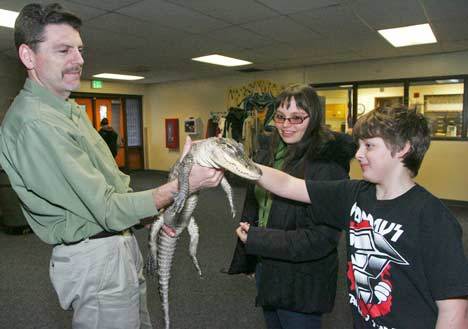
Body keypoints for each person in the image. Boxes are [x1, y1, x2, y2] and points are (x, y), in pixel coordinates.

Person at [0, 3, 223, 329]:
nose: (79, 60)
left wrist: (146, 211)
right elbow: (104, 207)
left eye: (79, 49)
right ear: (28, 57)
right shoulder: (36, 123)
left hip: (117, 243)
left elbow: (111, 180)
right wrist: (180, 185)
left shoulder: (64, 109)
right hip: (94, 257)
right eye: (63, 50)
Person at [239, 106, 468, 328]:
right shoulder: (355, 194)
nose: (358, 154)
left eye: (369, 145)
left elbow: (454, 311)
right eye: (359, 145)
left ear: (402, 149)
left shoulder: (433, 219)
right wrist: (238, 162)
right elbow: (288, 184)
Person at [229, 84, 356, 329]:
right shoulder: (270, 154)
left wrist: (258, 241)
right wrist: (251, 259)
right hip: (269, 266)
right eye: (280, 117)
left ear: (314, 118)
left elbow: (320, 239)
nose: (286, 125)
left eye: (297, 118)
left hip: (301, 280)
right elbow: (256, 206)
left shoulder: (327, 165)